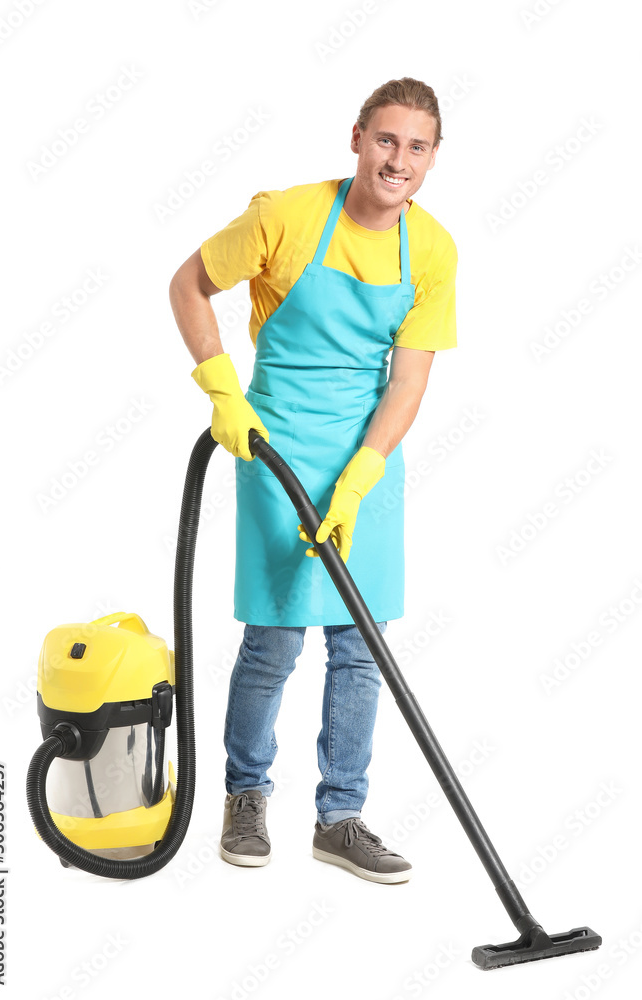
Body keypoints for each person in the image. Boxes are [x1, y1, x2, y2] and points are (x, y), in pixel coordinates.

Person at [169, 77, 457, 885]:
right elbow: (187, 284)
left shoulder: (431, 249)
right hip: (278, 445)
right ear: (358, 137)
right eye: (386, 140)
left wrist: (362, 478)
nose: (397, 159)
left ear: (434, 159)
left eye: (416, 146)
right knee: (275, 638)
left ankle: (340, 818)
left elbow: (406, 383)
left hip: (366, 454)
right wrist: (222, 389)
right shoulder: (288, 215)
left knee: (360, 644)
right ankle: (246, 796)